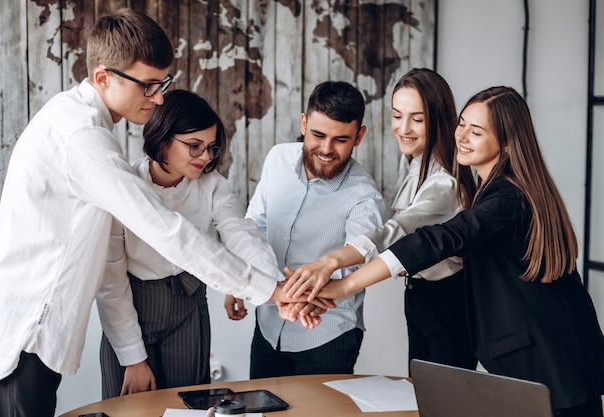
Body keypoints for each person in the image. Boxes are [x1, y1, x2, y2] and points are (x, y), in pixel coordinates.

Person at [0, 9, 303, 417]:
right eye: (148, 86)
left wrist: (264, 282)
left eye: (162, 84)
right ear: (103, 78)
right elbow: (166, 230)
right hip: (25, 329)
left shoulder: (81, 123)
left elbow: (233, 232)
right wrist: (270, 290)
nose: (160, 98)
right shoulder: (82, 138)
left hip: (34, 328)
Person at [308, 86, 604, 417]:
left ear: (506, 143)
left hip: (552, 367)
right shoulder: (498, 188)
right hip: (563, 358)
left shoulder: (507, 197)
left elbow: (438, 239)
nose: (461, 136)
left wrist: (343, 283)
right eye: (461, 123)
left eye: (476, 131)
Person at [283, 68, 477, 372]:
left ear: (438, 120)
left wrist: (331, 263)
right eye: (397, 115)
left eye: (417, 118)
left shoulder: (445, 184)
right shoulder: (412, 161)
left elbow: (396, 232)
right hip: (419, 295)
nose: (403, 128)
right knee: (421, 394)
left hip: (449, 302)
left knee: (445, 403)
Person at [98, 89, 286, 398]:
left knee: (190, 405)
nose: (206, 157)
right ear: (162, 139)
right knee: (127, 408)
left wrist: (276, 285)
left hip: (188, 307)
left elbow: (240, 234)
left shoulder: (213, 186)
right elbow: (111, 278)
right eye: (194, 146)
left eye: (211, 148)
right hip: (130, 306)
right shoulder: (127, 185)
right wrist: (133, 358)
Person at [224, 81, 387, 378]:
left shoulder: (365, 195)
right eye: (318, 135)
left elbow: (358, 258)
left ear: (359, 136)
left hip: (327, 336)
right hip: (268, 328)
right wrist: (240, 281)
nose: (326, 149)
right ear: (303, 123)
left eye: (340, 139)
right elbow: (254, 225)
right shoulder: (277, 159)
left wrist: (306, 299)